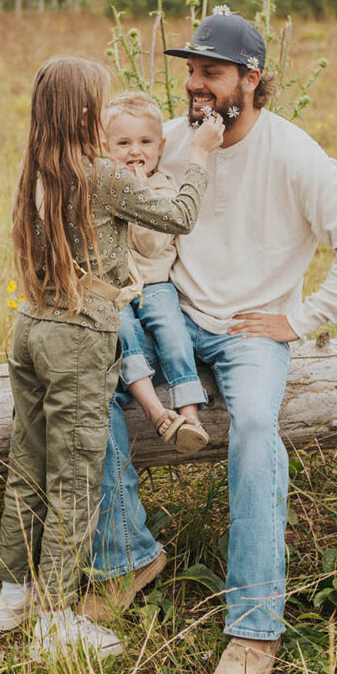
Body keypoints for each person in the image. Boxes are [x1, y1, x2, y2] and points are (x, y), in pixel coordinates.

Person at [81, 10, 337, 674]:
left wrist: (302, 317)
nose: (194, 85)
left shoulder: (292, 153)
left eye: (210, 73)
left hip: (254, 331)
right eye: (190, 71)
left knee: (253, 423)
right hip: (172, 312)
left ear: (250, 79)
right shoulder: (169, 139)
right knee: (84, 381)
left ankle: (255, 627)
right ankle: (128, 555)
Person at [0, 55, 224, 661]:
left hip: (32, 327)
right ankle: (55, 618)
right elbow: (180, 216)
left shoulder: (38, 169)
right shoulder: (101, 176)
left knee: (29, 460)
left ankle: (12, 594)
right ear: (85, 113)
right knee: (76, 477)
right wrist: (195, 156)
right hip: (77, 336)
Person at [105, 91, 212, 455]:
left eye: (145, 142)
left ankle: (190, 415)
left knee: (174, 334)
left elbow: (150, 245)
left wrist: (140, 191)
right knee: (123, 333)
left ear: (161, 145)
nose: (135, 151)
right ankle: (155, 411)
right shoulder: (106, 187)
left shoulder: (164, 187)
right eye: (123, 143)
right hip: (118, 289)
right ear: (106, 147)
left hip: (155, 285)